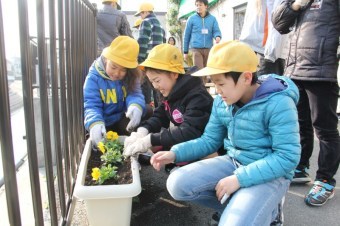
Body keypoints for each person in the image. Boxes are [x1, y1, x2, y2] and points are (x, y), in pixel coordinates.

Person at [150, 40, 301, 225]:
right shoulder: (222, 102)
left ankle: (268, 213)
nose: (217, 91)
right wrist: (175, 153)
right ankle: (248, 211)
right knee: (177, 184)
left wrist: (239, 178)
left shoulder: (278, 103)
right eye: (214, 84)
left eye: (221, 83)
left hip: (272, 174)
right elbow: (209, 141)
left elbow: (287, 157)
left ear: (246, 78)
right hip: (235, 162)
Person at [272, 0, 340, 207]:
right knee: (300, 123)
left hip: (323, 71)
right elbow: (279, 23)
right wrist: (295, 5)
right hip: (295, 68)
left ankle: (325, 180)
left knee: (325, 128)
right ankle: (301, 167)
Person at [123, 44, 214, 170]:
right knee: (150, 148)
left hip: (205, 146)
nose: (155, 86)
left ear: (174, 74)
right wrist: (143, 131)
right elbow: (160, 116)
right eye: (152, 81)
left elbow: (190, 131)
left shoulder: (197, 96)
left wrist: (150, 139)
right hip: (187, 141)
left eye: (157, 80)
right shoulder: (171, 92)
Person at [84, 36, 146, 148]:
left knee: (147, 111)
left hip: (121, 118)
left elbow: (135, 93)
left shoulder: (131, 75)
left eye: (123, 70)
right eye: (114, 67)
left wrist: (135, 105)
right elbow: (91, 105)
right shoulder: (94, 77)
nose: (117, 73)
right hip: (103, 123)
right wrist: (95, 122)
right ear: (106, 59)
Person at [239, 0, 287, 76]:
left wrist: (271, 53)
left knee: (260, 83)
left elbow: (277, 21)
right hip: (258, 48)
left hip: (266, 49)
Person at [135, 2, 166, 108]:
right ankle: (160, 113)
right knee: (158, 87)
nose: (141, 16)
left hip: (147, 61)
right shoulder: (159, 23)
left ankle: (146, 112)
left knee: (145, 86)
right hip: (159, 61)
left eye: (141, 13)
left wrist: (139, 59)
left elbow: (142, 41)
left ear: (146, 12)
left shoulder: (146, 22)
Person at [182, 0, 222, 84]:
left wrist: (217, 36)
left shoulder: (212, 19)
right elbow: (186, 36)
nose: (198, 7)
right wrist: (185, 51)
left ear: (206, 6)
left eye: (200, 5)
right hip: (196, 49)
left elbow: (216, 30)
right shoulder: (191, 19)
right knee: (199, 71)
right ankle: (201, 90)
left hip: (209, 49)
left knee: (208, 70)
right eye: (196, 5)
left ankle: (206, 89)